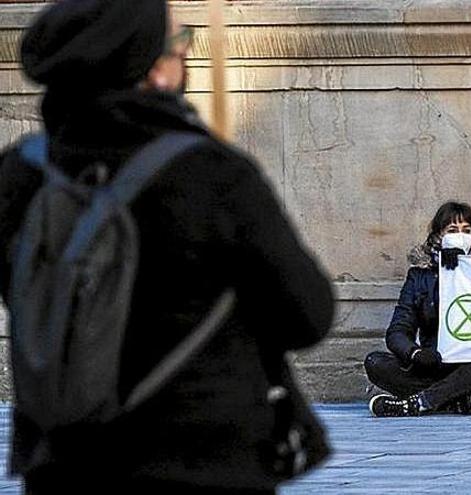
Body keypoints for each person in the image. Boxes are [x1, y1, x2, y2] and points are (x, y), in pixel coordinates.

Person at [0, 1, 334, 493]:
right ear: (152, 66)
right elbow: (307, 315)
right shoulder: (211, 173)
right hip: (202, 460)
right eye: (180, 45)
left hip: (62, 464)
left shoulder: (19, 172)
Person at [364, 202, 471, 417]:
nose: (460, 235)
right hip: (434, 364)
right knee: (375, 362)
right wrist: (416, 353)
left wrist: (464, 269)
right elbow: (397, 331)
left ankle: (417, 403)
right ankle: (453, 402)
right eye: (452, 230)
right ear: (438, 235)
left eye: (466, 230)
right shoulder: (419, 276)